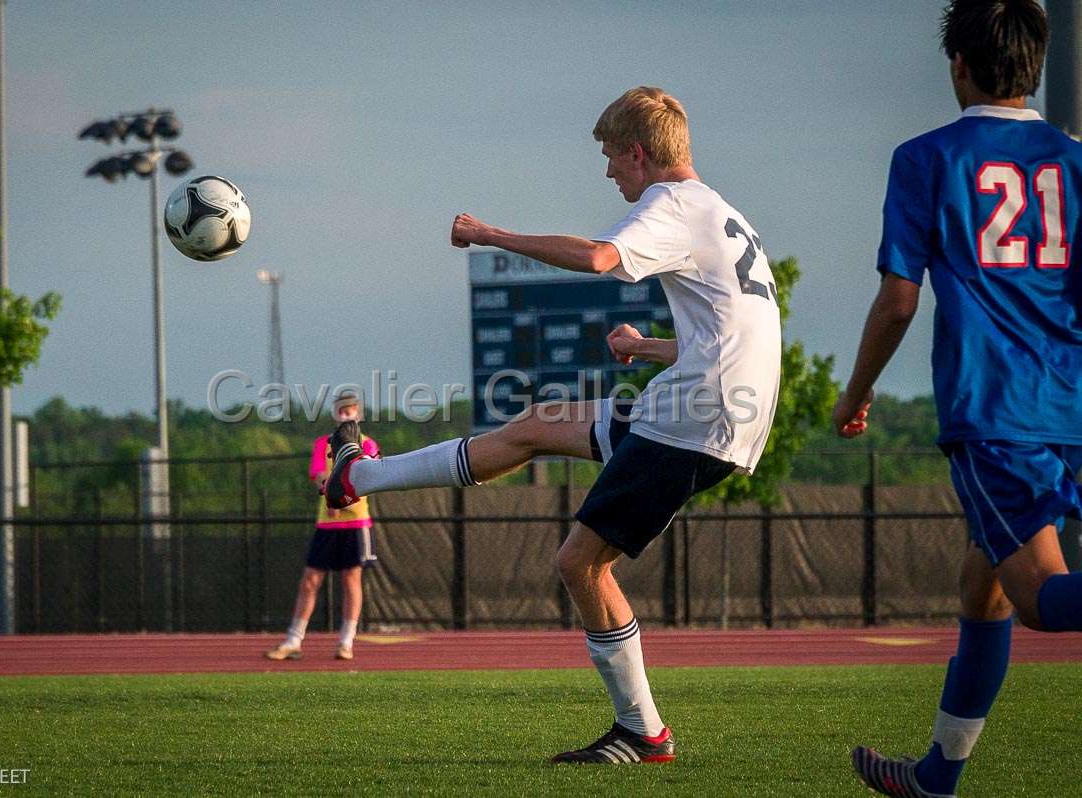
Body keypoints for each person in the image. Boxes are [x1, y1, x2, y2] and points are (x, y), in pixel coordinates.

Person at [323, 86, 781, 763]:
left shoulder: (673, 203)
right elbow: (731, 337)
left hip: (693, 418)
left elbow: (600, 259)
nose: (608, 174)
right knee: (537, 425)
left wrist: (488, 235)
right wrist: (646, 349)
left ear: (638, 153)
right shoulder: (722, 212)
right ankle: (357, 475)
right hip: (707, 406)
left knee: (579, 563)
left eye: (609, 158)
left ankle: (642, 731)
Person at [837, 3, 1082, 795]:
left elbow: (900, 300)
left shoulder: (926, 159)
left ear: (958, 66)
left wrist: (857, 392)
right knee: (982, 587)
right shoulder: (1075, 161)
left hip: (1000, 412)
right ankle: (939, 775)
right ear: (1034, 66)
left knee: (1039, 597)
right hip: (1074, 398)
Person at [265, 390, 380, 662]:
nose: (345, 415)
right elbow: (318, 474)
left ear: (358, 414)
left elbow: (371, 477)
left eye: (350, 410)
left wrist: (342, 498)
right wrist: (329, 493)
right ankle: (294, 640)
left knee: (351, 579)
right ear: (334, 413)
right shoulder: (323, 444)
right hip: (328, 524)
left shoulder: (368, 444)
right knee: (310, 580)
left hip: (355, 521)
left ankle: (346, 641)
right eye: (341, 410)